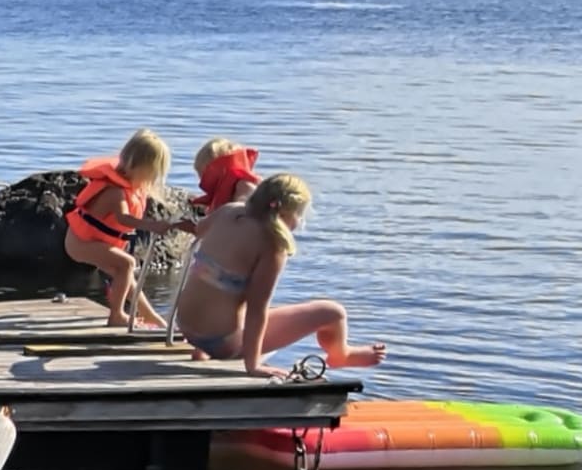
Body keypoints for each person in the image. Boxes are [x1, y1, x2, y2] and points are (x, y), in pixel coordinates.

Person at [175, 173, 386, 375]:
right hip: (221, 342)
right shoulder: (272, 243)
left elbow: (199, 230)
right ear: (286, 215)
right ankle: (341, 354)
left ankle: (201, 350)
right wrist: (253, 365)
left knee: (224, 286)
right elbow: (258, 309)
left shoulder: (229, 211)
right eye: (299, 215)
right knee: (333, 313)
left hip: (185, 325)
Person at [64, 128, 191, 328]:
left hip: (92, 241)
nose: (153, 180)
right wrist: (151, 225)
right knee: (127, 264)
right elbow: (124, 218)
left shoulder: (128, 185)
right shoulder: (116, 192)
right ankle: (116, 315)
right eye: (152, 173)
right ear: (138, 165)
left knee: (124, 273)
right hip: (81, 242)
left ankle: (149, 315)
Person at [192, 137, 261, 213]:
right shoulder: (233, 186)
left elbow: (243, 214)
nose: (202, 182)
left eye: (204, 177)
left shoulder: (245, 187)